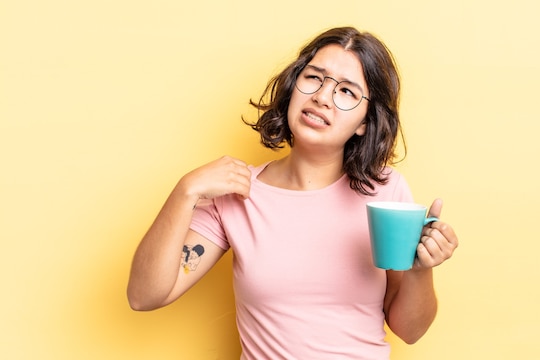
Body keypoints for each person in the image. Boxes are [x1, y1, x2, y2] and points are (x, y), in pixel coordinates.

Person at [127, 26, 459, 359]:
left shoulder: (386, 191)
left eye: (347, 91)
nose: (322, 97)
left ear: (364, 122)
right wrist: (184, 191)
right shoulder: (238, 193)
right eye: (314, 77)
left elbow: (409, 330)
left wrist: (420, 270)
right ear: (293, 86)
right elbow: (144, 296)